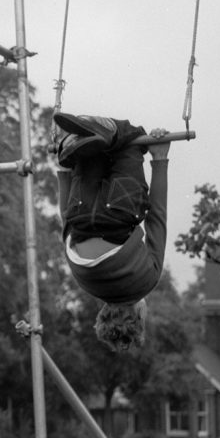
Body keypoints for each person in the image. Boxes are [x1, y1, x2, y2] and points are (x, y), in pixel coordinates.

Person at [53, 112, 170, 351]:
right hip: (81, 209)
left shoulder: (146, 282)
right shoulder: (85, 281)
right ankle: (78, 142)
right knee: (94, 147)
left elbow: (157, 218)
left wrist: (160, 158)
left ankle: (107, 128)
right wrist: (65, 172)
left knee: (131, 139)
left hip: (121, 208)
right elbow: (65, 225)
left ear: (138, 314)